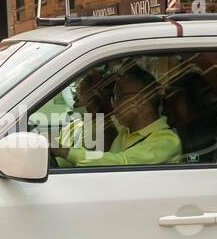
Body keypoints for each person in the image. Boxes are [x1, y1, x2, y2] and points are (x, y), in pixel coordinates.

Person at [53, 65, 181, 167]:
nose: (113, 104)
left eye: (118, 97)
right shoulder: (125, 133)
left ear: (141, 100)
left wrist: (62, 151)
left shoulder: (166, 141)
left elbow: (119, 163)